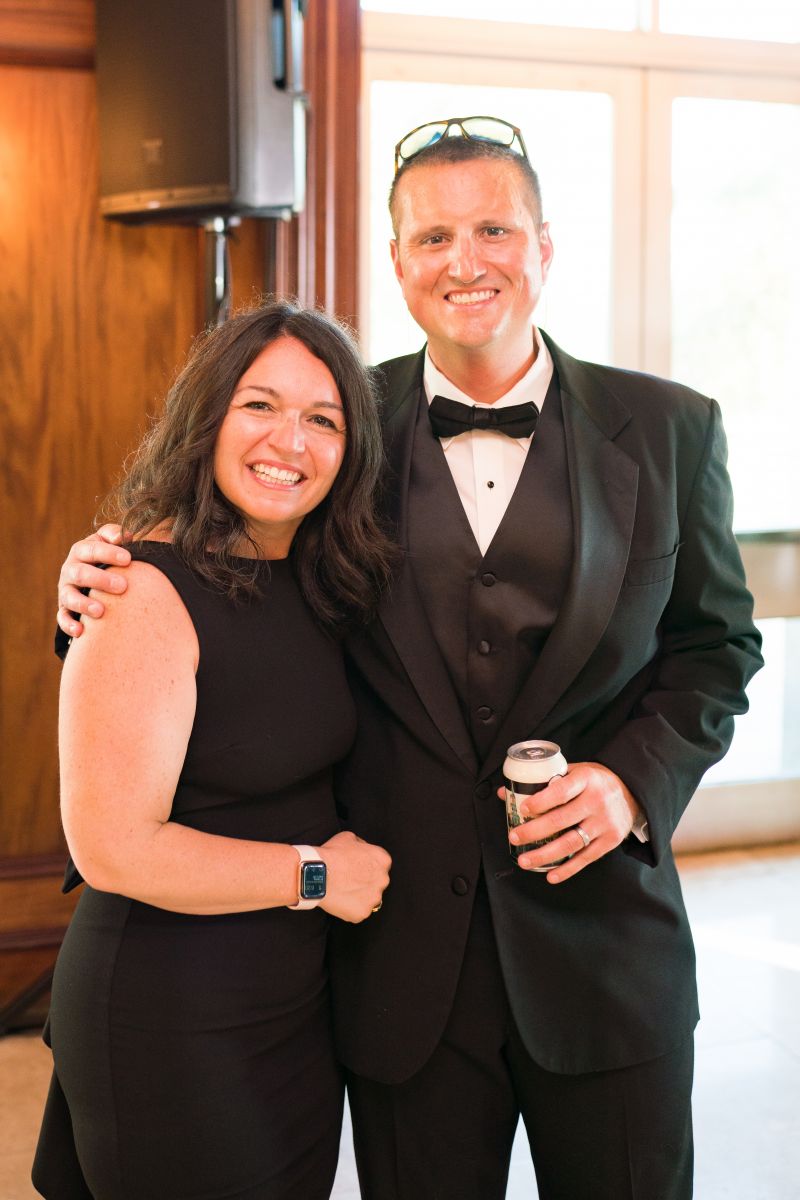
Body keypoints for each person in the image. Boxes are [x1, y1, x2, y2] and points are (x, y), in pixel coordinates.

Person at [56, 118, 763, 1200]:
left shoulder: (672, 428)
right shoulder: (332, 426)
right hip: (394, 968)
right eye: (433, 237)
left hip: (608, 957)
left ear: (543, 247)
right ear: (397, 263)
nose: (464, 260)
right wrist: (96, 584)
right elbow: (220, 587)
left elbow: (716, 649)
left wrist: (631, 784)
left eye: (494, 229)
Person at [34, 300, 393, 1200]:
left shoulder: (315, 574)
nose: (290, 441)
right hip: (171, 1009)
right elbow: (114, 848)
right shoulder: (137, 588)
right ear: (207, 417)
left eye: (323, 419)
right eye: (259, 405)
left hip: (290, 1000)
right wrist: (318, 876)